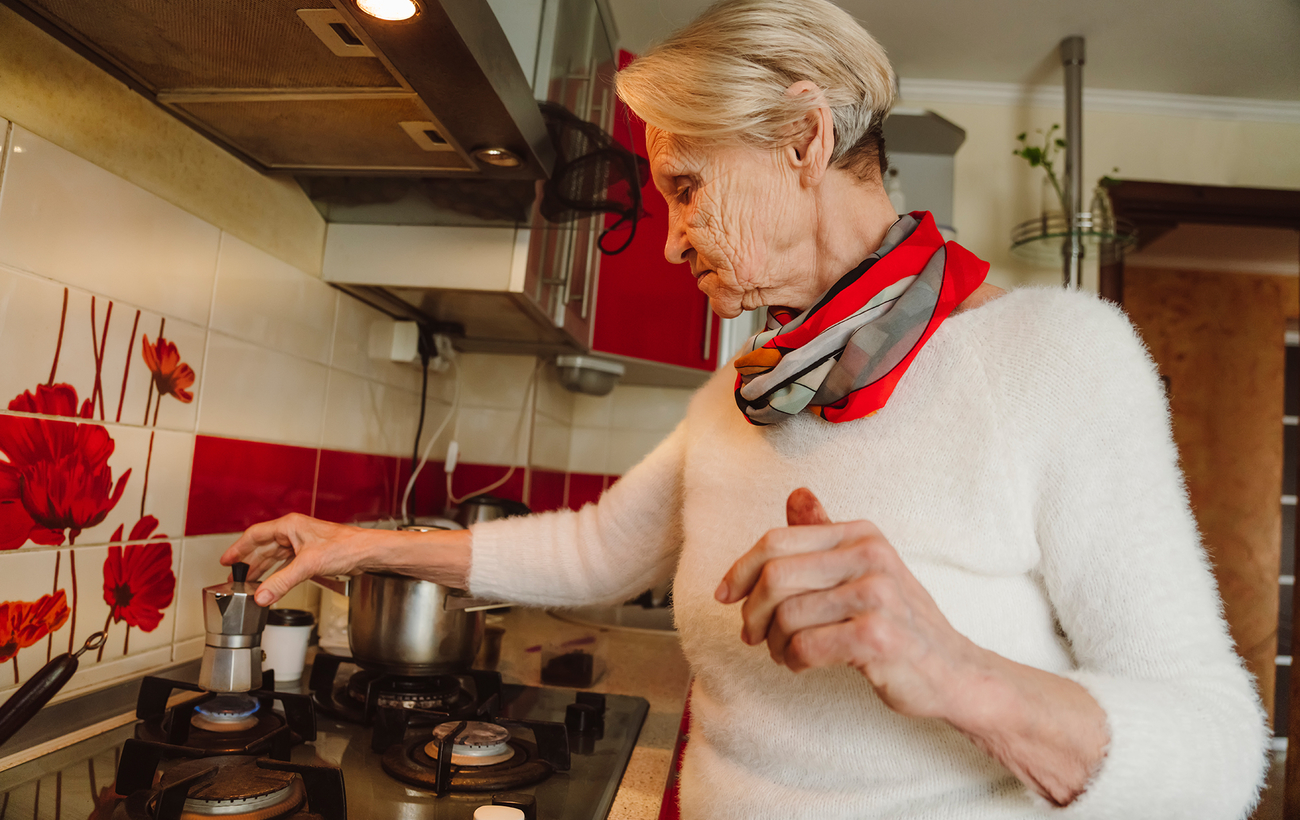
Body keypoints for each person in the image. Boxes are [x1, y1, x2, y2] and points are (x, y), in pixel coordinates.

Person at [222, 1, 1268, 817]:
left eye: (685, 187)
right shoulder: (745, 393)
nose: (673, 239)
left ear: (805, 140)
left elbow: (1220, 751)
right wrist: (362, 547)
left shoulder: (1056, 356)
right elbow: (595, 551)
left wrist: (954, 671)